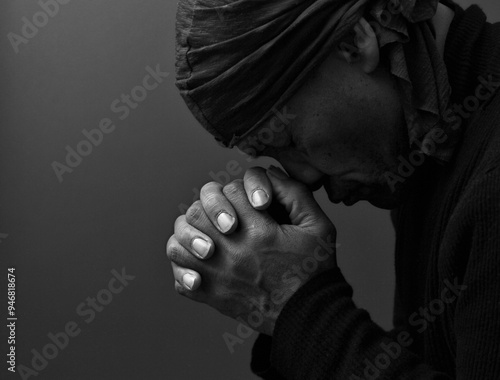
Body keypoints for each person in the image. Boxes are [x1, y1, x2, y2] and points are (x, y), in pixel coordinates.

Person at [168, 0, 500, 378]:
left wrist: (302, 310)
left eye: (289, 139)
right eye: (268, 155)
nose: (304, 179)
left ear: (354, 42)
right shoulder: (430, 146)